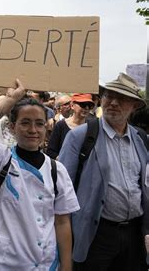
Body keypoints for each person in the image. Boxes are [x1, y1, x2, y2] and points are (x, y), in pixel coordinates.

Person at [0, 79, 79, 270]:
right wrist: (11, 100)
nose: (33, 130)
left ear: (46, 127)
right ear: (12, 127)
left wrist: (66, 267)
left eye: (39, 124)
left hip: (44, 262)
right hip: (1, 262)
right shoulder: (1, 159)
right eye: (25, 123)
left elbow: (62, 222)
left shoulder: (57, 170)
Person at [59, 73, 148, 270]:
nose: (113, 103)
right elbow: (62, 191)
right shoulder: (80, 136)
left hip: (134, 233)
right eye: (109, 96)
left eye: (122, 98)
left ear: (134, 105)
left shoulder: (140, 138)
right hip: (95, 233)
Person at [46, 93, 94, 159]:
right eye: (83, 105)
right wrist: (64, 160)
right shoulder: (60, 125)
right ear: (72, 106)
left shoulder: (92, 127)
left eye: (90, 106)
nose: (86, 108)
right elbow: (50, 151)